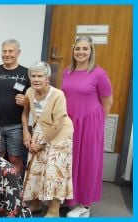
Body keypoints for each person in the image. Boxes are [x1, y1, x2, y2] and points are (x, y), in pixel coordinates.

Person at [61, 36, 113, 217]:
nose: (81, 52)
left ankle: (85, 205)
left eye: (85, 48)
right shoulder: (67, 71)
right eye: (78, 48)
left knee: (87, 162)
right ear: (73, 50)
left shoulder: (99, 74)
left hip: (90, 123)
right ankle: (70, 199)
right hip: (70, 122)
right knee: (70, 160)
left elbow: (108, 102)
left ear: (91, 51)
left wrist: (98, 125)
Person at [21, 61, 74, 217]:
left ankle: (54, 210)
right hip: (40, 130)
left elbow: (58, 123)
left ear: (47, 78)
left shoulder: (58, 95)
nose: (36, 79)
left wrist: (40, 143)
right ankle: (36, 203)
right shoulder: (30, 91)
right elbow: (25, 113)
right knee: (35, 168)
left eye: (40, 76)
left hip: (60, 134)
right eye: (33, 76)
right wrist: (26, 132)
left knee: (54, 171)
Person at [0, 39, 30, 176]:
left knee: (15, 158)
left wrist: (26, 101)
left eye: (11, 51)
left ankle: (15, 190)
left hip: (16, 125)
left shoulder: (26, 73)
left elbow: (34, 99)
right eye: (4, 51)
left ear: (18, 53)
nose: (7, 54)